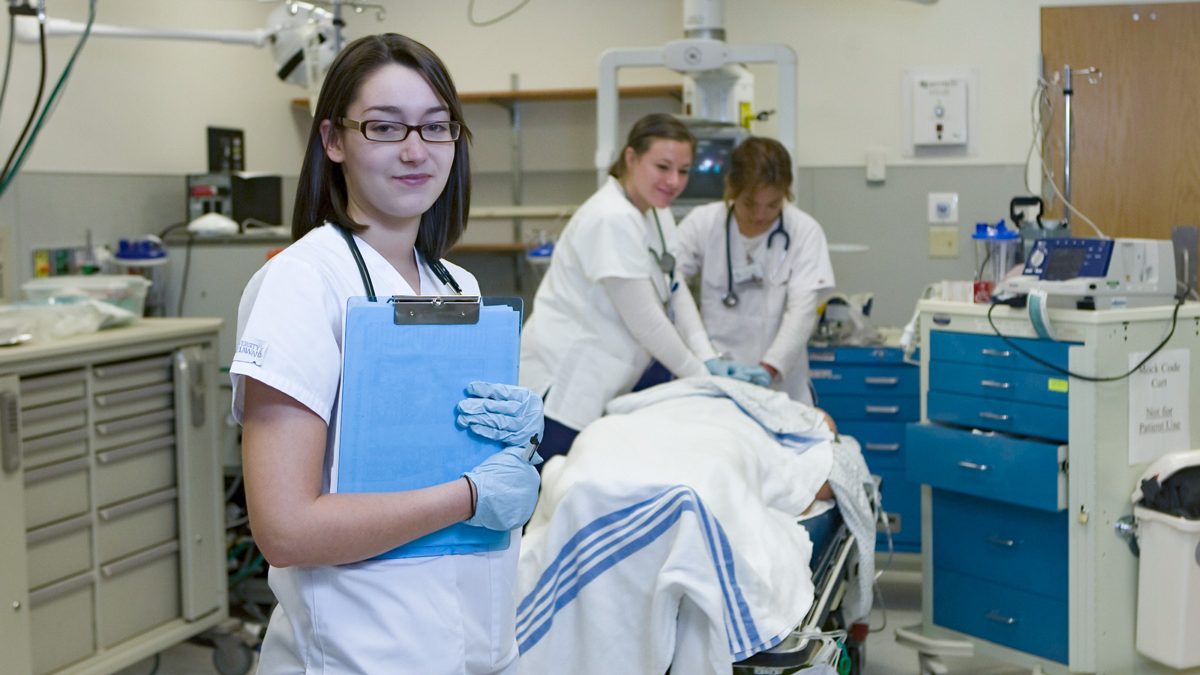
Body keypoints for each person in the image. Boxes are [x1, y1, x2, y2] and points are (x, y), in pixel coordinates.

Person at [229, 34, 542, 674]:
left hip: (475, 646)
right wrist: (470, 495)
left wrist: (515, 447)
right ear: (333, 141)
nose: (415, 150)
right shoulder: (303, 283)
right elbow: (285, 529)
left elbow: (464, 471)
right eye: (384, 126)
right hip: (355, 654)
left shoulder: (459, 287)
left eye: (436, 127)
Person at [520, 113, 766, 462]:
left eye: (683, 170)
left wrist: (708, 356)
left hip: (607, 380)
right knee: (548, 485)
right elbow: (646, 320)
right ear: (632, 158)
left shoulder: (655, 211)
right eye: (663, 167)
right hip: (566, 385)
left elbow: (674, 286)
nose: (674, 181)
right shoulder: (610, 217)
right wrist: (702, 376)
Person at [674, 137, 835, 404]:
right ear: (732, 189)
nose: (760, 215)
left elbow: (802, 311)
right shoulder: (703, 223)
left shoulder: (804, 231)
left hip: (780, 387)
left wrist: (770, 367)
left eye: (773, 204)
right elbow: (670, 281)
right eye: (749, 203)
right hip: (715, 379)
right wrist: (706, 357)